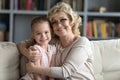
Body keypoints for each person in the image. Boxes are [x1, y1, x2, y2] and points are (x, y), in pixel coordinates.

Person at [18, 2, 95, 80]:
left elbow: (65, 71)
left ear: (71, 21)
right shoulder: (52, 41)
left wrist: (34, 69)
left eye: (63, 20)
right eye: (54, 22)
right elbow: (22, 44)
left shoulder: (82, 42)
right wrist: (27, 53)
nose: (59, 25)